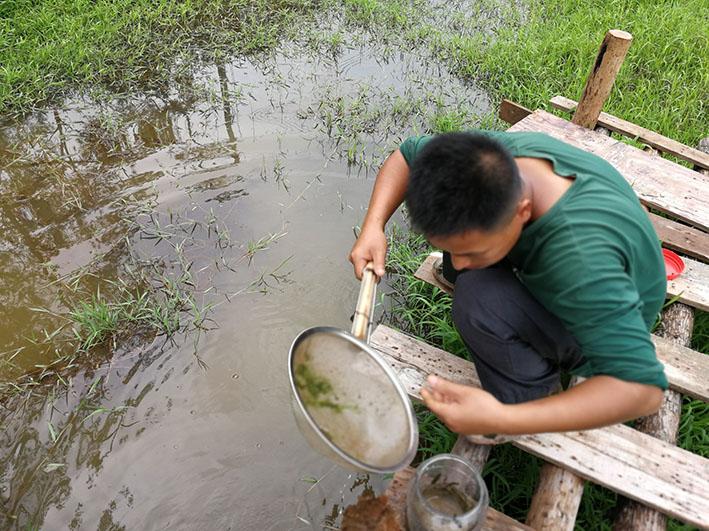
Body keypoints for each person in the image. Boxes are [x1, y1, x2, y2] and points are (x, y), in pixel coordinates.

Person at [349, 130, 667, 440]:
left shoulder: (578, 259)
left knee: (478, 300)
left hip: (601, 318)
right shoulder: (491, 159)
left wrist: (502, 418)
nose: (457, 264)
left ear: (523, 211)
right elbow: (407, 156)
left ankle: (525, 396)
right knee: (464, 246)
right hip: (603, 268)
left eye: (472, 252)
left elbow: (642, 390)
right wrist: (373, 227)